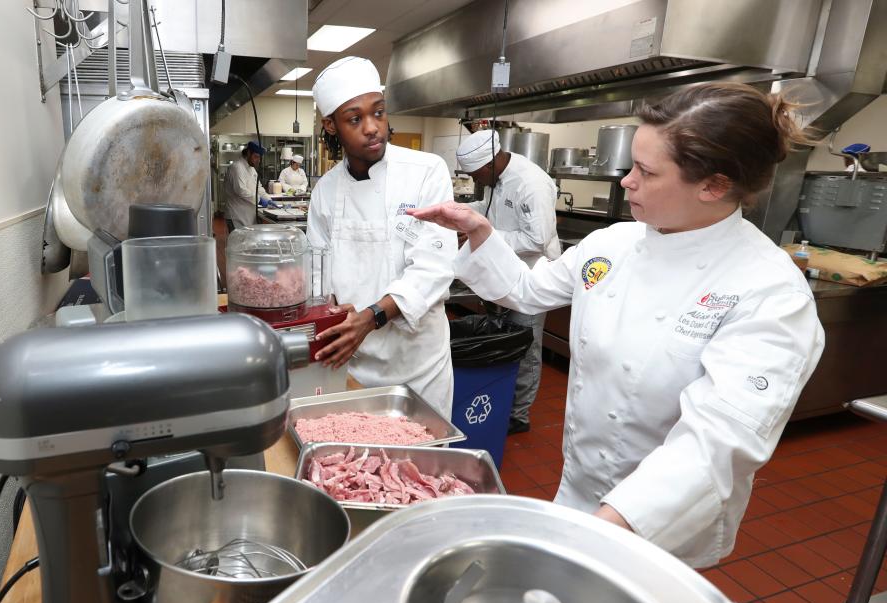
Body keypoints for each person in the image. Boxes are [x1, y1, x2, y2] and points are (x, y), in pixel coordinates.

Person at [408, 82, 825, 567]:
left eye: (646, 172)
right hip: (579, 491)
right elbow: (527, 291)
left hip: (660, 527)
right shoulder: (614, 244)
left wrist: (600, 530)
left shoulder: (769, 291)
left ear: (713, 185)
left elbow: (715, 446)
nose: (626, 181)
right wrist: (478, 229)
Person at [307, 56, 457, 418]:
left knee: (420, 468)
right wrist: (329, 309)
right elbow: (315, 268)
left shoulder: (426, 171)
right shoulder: (325, 191)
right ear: (331, 126)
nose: (372, 128)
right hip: (353, 361)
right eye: (355, 119)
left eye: (379, 113)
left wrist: (372, 316)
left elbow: (435, 266)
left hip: (417, 364)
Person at [456, 130, 561, 434]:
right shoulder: (496, 178)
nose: (477, 180)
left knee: (525, 344)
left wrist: (483, 234)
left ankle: (519, 414)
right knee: (503, 340)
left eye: (477, 175)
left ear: (489, 163)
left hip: (532, 276)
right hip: (503, 271)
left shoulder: (531, 182)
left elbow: (537, 239)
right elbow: (490, 211)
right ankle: (501, 397)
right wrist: (460, 212)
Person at [224, 141, 274, 228]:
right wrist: (260, 200)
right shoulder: (237, 167)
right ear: (248, 153)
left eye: (259, 157)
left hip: (249, 215)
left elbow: (259, 188)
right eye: (256, 157)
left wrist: (269, 200)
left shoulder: (251, 168)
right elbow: (240, 190)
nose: (258, 160)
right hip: (236, 215)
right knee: (238, 241)